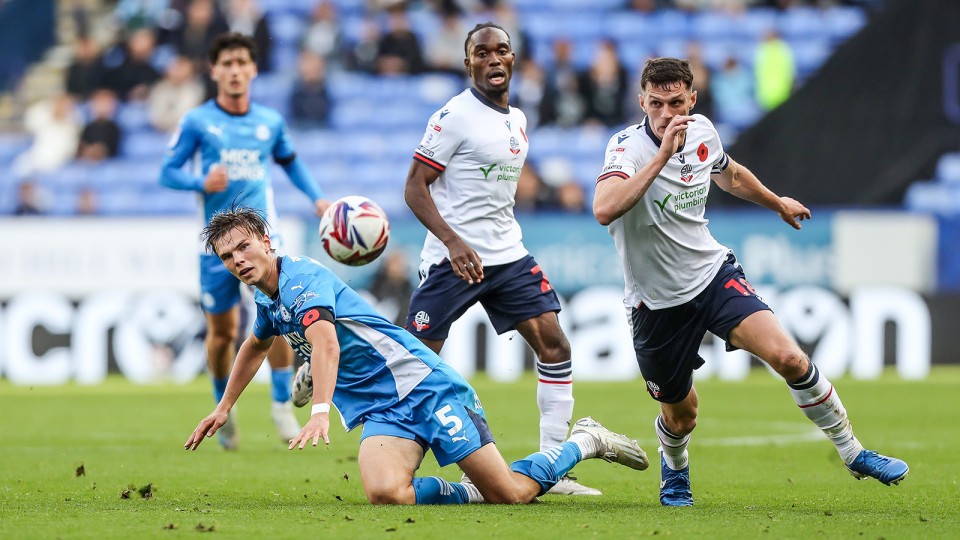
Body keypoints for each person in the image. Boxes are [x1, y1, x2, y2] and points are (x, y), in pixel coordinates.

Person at [592, 57, 909, 507]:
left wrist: (776, 202)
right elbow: (604, 209)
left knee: (790, 357)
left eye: (677, 103)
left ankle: (854, 452)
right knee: (682, 417)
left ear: (693, 99)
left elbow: (731, 174)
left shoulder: (701, 131)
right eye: (657, 104)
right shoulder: (626, 149)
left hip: (712, 275)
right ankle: (676, 472)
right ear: (641, 101)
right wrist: (662, 155)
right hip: (655, 304)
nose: (667, 114)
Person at [185, 207, 650, 505]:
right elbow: (255, 343)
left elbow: (325, 343)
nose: (238, 260)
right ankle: (471, 490)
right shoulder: (267, 297)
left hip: (425, 388)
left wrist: (320, 410)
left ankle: (584, 442)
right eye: (227, 257)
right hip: (381, 409)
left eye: (244, 246)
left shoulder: (301, 279)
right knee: (387, 493)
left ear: (267, 241)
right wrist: (224, 407)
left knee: (510, 495)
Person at [401, 22, 598, 496]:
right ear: (468, 62)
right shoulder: (453, 117)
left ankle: (554, 467)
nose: (493, 59)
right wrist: (452, 241)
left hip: (508, 253)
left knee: (555, 345)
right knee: (416, 365)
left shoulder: (519, 119)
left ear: (513, 59)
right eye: (482, 52)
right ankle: (390, 447)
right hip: (454, 260)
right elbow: (413, 188)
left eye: (502, 51)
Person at [160, 32, 330, 450]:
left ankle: (280, 406)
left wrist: (317, 198)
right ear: (214, 70)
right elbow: (168, 172)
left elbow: (291, 163)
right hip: (217, 245)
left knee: (278, 318)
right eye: (227, 63)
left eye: (242, 63)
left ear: (253, 70)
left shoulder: (269, 122)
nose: (235, 70)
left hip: (262, 237)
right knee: (222, 332)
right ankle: (224, 406)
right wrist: (201, 181)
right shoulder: (198, 121)